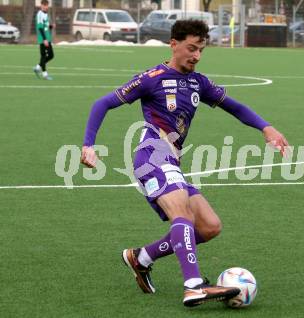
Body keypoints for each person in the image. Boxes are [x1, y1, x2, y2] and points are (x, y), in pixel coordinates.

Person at [81, 20, 289, 307]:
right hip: (151, 155)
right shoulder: (152, 77)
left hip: (172, 161)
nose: (197, 56)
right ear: (174, 44)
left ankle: (141, 257)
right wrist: (88, 145)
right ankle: (193, 285)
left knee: (209, 226)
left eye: (201, 50)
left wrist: (266, 128)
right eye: (192, 48)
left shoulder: (198, 82)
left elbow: (235, 107)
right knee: (181, 211)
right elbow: (102, 104)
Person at [33, 0, 54, 80]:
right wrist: (44, 39)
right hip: (43, 38)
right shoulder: (39, 14)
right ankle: (44, 74)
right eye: (44, 5)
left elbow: (46, 27)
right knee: (44, 55)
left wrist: (51, 26)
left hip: (47, 38)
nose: (45, 6)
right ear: (41, 5)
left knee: (51, 55)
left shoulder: (46, 14)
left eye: (46, 5)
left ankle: (38, 67)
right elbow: (40, 27)